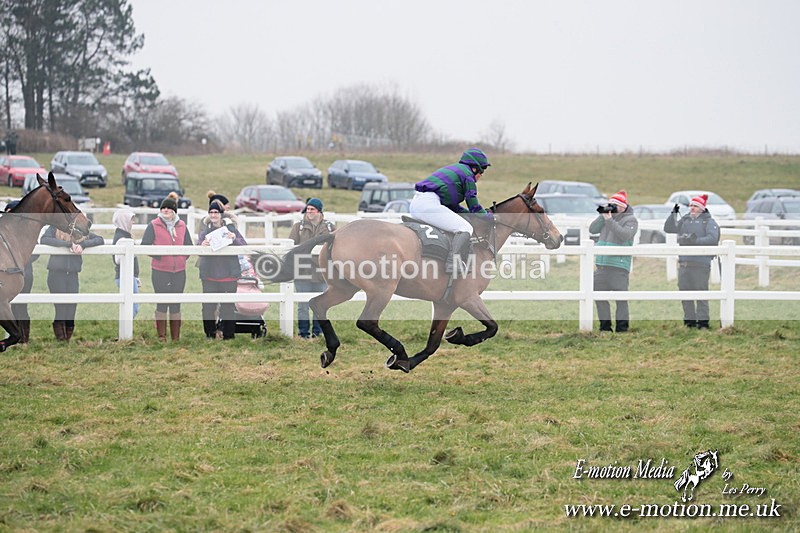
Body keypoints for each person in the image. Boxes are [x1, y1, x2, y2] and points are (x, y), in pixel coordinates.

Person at [409, 148, 493, 274]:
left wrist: (472, 215)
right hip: (428, 205)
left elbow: (454, 207)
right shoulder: (468, 175)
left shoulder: (455, 170)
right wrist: (490, 217)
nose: (481, 175)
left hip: (417, 203)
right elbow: (474, 206)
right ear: (475, 168)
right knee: (465, 228)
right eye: (482, 170)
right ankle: (452, 263)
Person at [140, 192, 193, 341]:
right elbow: (144, 246)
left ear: (174, 211)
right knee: (162, 303)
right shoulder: (153, 225)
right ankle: (161, 336)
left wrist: (181, 258)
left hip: (179, 272)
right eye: (163, 208)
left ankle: (175, 337)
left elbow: (189, 246)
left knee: (176, 303)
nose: (165, 211)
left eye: (169, 208)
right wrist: (160, 256)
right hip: (160, 271)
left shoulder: (182, 226)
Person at [663, 193, 720, 329]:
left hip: (701, 264)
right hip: (684, 264)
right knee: (685, 294)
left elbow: (713, 238)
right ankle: (689, 322)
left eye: (695, 206)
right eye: (691, 206)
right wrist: (673, 214)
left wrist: (695, 241)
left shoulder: (709, 222)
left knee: (701, 294)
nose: (692, 208)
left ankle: (703, 323)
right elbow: (669, 229)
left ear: (702, 208)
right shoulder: (685, 220)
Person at [40, 224, 104, 341]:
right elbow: (44, 239)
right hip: (56, 274)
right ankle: (61, 338)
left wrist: (82, 245)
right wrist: (68, 244)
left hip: (73, 274)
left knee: (72, 307)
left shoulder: (80, 231)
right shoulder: (54, 228)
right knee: (61, 307)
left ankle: (67, 338)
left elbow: (100, 239)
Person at [589, 190, 638, 333]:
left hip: (618, 266)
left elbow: (624, 235)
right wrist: (603, 216)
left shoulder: (630, 220)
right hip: (602, 265)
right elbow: (592, 229)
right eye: (611, 204)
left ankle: (622, 329)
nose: (612, 207)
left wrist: (609, 220)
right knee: (599, 296)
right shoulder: (606, 218)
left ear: (623, 206)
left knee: (621, 299)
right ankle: (605, 327)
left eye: (615, 205)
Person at [197, 200, 247, 340]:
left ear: (221, 214)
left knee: (228, 306)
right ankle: (210, 333)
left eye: (216, 212)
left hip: (229, 275)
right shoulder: (205, 233)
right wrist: (203, 245)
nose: (213, 215)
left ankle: (229, 335)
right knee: (208, 306)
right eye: (211, 212)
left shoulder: (231, 230)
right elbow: (198, 249)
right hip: (209, 275)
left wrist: (234, 238)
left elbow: (244, 246)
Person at [288, 197, 335, 338]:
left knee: (320, 303)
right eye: (307, 209)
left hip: (321, 273)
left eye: (312, 209)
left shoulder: (329, 228)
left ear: (319, 211)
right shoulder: (298, 227)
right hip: (302, 272)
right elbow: (291, 247)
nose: (309, 212)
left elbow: (334, 248)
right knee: (303, 305)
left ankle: (317, 332)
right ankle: (303, 333)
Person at [4, 201, 37, 343]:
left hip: (23, 273)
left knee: (21, 307)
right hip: (6, 275)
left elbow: (34, 253)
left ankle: (23, 338)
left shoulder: (25, 234)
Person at [112, 207, 141, 318]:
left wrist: (136, 277)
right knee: (132, 308)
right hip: (125, 276)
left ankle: (126, 331)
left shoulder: (125, 235)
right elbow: (118, 259)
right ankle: (125, 332)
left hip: (130, 276)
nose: (133, 222)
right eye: (131, 219)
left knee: (132, 306)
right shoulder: (122, 238)